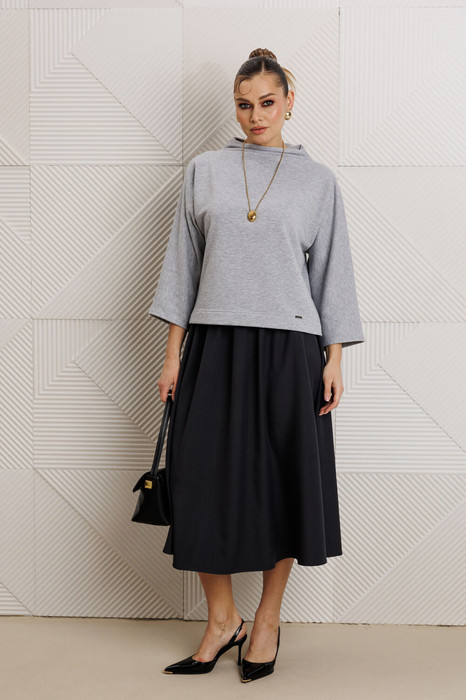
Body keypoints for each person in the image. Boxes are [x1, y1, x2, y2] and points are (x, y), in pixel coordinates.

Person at [147, 48, 365, 683]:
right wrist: (172, 355)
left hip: (292, 348)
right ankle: (222, 620)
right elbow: (182, 266)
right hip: (214, 343)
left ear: (289, 103)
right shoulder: (205, 171)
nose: (256, 116)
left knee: (285, 480)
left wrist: (334, 358)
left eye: (268, 103)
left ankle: (266, 620)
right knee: (200, 479)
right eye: (244, 105)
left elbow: (333, 275)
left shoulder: (317, 181)